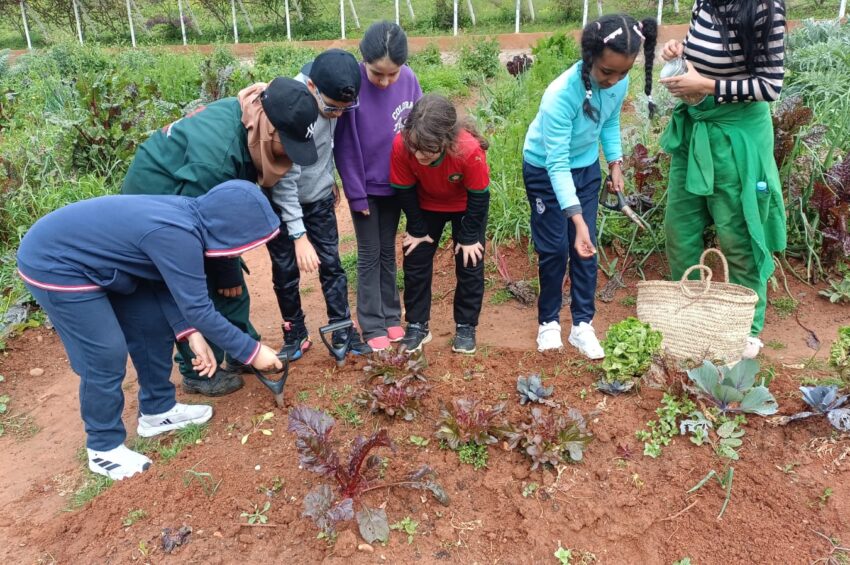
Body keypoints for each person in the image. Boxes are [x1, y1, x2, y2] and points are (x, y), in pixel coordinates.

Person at [16, 181, 284, 480]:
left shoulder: (190, 221)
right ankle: (103, 448)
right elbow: (198, 308)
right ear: (231, 230)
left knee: (152, 324)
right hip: (54, 263)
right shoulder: (176, 233)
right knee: (104, 352)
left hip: (101, 261)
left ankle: (157, 410)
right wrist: (253, 352)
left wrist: (190, 332)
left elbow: (162, 278)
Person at [122, 77, 319, 396]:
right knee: (202, 286)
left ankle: (242, 350)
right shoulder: (217, 157)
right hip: (158, 203)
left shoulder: (251, 122)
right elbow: (201, 227)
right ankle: (198, 372)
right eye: (290, 146)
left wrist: (229, 264)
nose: (292, 156)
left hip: (195, 199)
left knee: (232, 282)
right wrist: (225, 267)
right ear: (271, 130)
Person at [522, 14, 657, 358]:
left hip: (584, 168)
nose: (613, 81)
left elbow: (608, 122)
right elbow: (556, 164)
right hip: (545, 169)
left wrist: (615, 163)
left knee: (586, 247)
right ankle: (548, 322)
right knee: (555, 249)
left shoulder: (617, 82)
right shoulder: (560, 95)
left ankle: (582, 324)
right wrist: (577, 219)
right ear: (590, 57)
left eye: (623, 73)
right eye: (606, 72)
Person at [659, 0, 786, 360]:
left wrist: (704, 83)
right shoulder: (706, 2)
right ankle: (693, 316)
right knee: (680, 228)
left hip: (737, 134)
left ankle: (746, 328)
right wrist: (679, 52)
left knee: (738, 234)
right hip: (697, 125)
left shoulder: (765, 8)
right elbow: (706, 51)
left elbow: (769, 86)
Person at [265, 49, 370, 362]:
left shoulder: (335, 93)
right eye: (332, 108)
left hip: (319, 196)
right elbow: (285, 181)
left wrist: (328, 179)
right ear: (312, 87)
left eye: (344, 109)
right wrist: (298, 235)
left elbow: (329, 144)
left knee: (331, 264)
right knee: (285, 269)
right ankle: (294, 331)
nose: (337, 114)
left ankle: (342, 328)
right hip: (282, 203)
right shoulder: (292, 107)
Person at [334, 21, 422, 352]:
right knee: (369, 253)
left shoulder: (409, 80)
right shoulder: (353, 85)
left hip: (398, 185)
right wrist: (356, 194)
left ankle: (390, 315)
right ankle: (371, 322)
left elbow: (419, 128)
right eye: (377, 74)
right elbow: (345, 146)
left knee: (388, 250)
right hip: (366, 189)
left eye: (392, 74)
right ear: (364, 61)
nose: (385, 81)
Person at [391, 94, 491, 354]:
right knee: (415, 259)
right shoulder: (402, 144)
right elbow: (404, 190)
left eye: (428, 150)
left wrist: (469, 236)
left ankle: (466, 326)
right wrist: (417, 229)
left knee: (470, 261)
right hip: (425, 204)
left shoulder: (468, 150)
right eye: (415, 148)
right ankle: (417, 325)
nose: (419, 156)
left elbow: (480, 196)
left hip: (466, 206)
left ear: (447, 141)